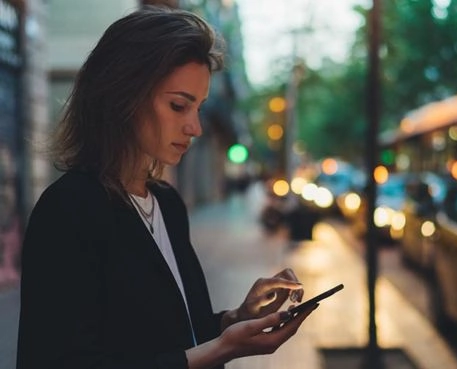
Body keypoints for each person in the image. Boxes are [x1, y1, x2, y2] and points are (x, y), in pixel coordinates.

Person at [17, 6, 315, 369]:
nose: (195, 128)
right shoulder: (69, 208)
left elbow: (179, 332)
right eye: (178, 106)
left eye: (199, 108)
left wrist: (236, 319)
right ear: (123, 96)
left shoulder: (167, 203)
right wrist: (222, 350)